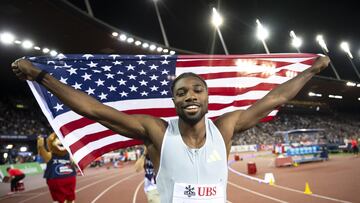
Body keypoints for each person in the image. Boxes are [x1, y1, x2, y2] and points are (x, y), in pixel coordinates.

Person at [11, 56, 330, 202]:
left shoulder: (226, 127)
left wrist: (311, 70)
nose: (190, 95)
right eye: (182, 92)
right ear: (174, 101)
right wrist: (42, 76)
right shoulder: (157, 131)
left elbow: (274, 97)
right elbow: (94, 110)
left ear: (207, 97)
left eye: (197, 90)